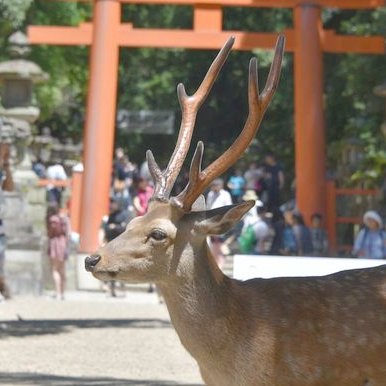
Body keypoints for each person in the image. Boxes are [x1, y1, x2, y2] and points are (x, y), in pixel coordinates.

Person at [101, 198, 133, 297]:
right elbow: (106, 228)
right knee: (111, 267)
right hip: (111, 244)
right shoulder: (111, 215)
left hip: (121, 244)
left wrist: (114, 227)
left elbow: (125, 228)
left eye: (113, 203)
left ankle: (122, 288)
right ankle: (112, 289)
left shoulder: (125, 215)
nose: (112, 205)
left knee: (121, 268)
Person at [206, 179, 233, 268]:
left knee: (220, 242)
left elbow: (229, 208)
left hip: (221, 221)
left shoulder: (225, 194)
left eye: (216, 186)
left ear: (220, 186)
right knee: (213, 243)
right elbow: (208, 206)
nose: (214, 188)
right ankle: (214, 264)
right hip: (212, 221)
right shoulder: (210, 194)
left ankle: (220, 264)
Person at [46, 203, 71, 300]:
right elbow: (69, 234)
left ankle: (57, 293)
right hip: (63, 243)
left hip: (55, 243)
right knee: (62, 270)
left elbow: (50, 233)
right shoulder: (65, 218)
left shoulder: (52, 220)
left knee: (55, 270)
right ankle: (63, 293)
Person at [238, 190, 270, 254]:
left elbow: (243, 217)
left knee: (248, 242)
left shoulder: (246, 204)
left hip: (249, 226)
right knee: (261, 242)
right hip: (260, 224)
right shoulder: (259, 203)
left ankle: (250, 255)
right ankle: (260, 255)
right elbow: (262, 213)